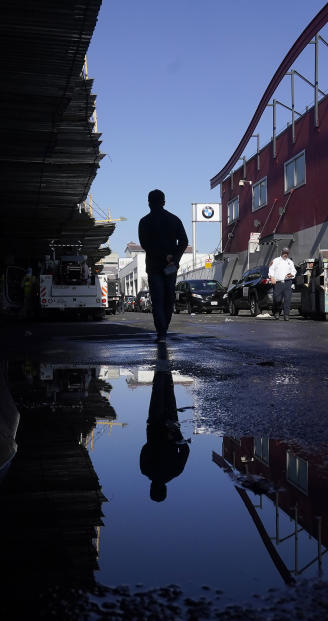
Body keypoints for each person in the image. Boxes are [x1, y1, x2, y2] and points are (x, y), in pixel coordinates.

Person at [139, 344, 189, 502]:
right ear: (152, 488)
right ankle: (161, 360)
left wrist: (174, 433)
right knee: (158, 390)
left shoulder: (175, 472)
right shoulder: (146, 470)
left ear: (165, 489)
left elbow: (185, 449)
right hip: (154, 425)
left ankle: (165, 363)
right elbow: (145, 449)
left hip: (170, 425)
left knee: (168, 390)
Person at [138, 189, 188, 342]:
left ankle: (161, 333)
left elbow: (145, 244)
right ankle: (164, 329)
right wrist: (174, 258)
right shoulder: (174, 219)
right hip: (170, 267)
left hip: (154, 266)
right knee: (169, 299)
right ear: (164, 202)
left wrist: (162, 256)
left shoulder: (144, 221)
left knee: (158, 300)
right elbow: (184, 241)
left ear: (149, 203)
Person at [268, 247, 297, 320]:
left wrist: (292, 274)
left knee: (287, 299)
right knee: (277, 299)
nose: (285, 254)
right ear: (281, 252)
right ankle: (277, 312)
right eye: (284, 253)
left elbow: (294, 271)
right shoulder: (276, 260)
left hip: (288, 283)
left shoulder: (290, 262)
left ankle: (286, 315)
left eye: (287, 253)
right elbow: (271, 270)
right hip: (278, 283)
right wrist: (272, 277)